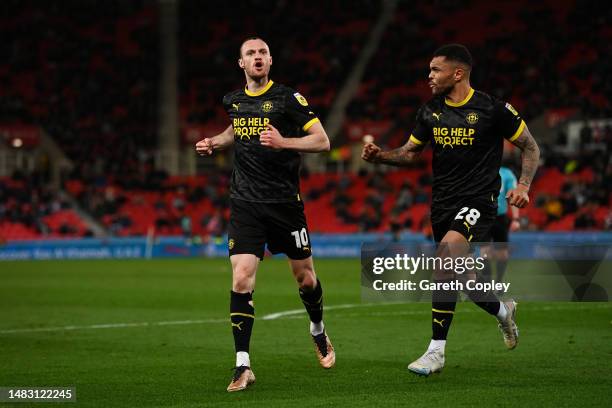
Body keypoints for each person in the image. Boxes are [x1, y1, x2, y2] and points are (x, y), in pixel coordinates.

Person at [361, 44, 540, 376]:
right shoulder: (429, 111)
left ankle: (436, 351)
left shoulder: (493, 109)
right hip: (442, 204)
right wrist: (380, 156)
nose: (428, 76)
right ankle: (503, 311)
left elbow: (530, 145)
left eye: (434, 70)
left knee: (444, 258)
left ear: (457, 73)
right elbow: (411, 153)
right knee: (466, 281)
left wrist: (524, 185)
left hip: (479, 203)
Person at [196, 37, 334, 392]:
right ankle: (243, 364)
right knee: (241, 278)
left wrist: (284, 142)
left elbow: (322, 141)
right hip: (245, 204)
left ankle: (317, 330)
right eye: (250, 53)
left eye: (262, 53)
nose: (257, 57)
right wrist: (215, 141)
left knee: (305, 279)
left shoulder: (289, 99)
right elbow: (234, 130)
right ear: (241, 63)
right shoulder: (234, 100)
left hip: (285, 204)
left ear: (270, 61)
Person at [481, 165, 521, 289]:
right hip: (482, 217)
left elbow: (512, 196)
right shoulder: (480, 169)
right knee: (485, 253)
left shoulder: (506, 173)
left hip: (500, 217)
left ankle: (499, 282)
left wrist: (515, 218)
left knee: (502, 254)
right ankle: (487, 285)